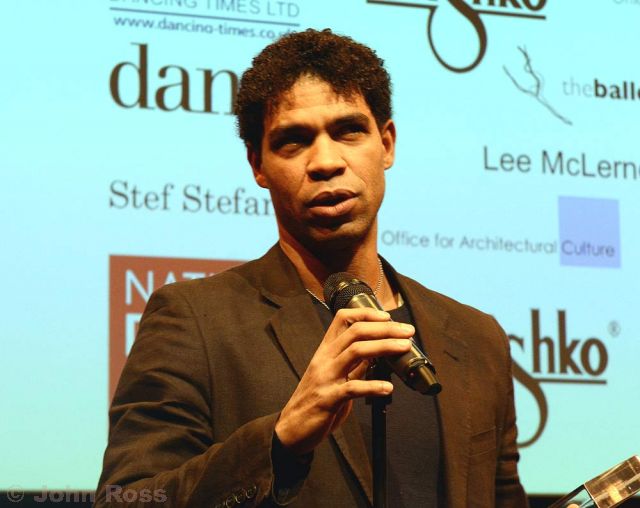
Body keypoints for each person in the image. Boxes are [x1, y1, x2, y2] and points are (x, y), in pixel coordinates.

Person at [95, 29, 527, 507]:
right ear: (257, 165)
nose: (325, 162)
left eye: (348, 131)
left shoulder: (477, 338)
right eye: (294, 141)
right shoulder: (194, 321)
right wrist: (280, 440)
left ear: (386, 144)